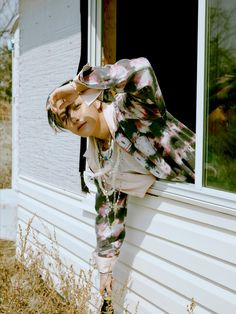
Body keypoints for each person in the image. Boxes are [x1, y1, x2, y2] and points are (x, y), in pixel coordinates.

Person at [46, 57, 195, 309]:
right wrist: (105, 268)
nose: (73, 119)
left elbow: (141, 70)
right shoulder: (98, 157)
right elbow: (109, 210)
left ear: (91, 99)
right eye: (64, 120)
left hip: (214, 182)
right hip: (187, 206)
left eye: (74, 107)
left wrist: (76, 84)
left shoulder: (128, 110)